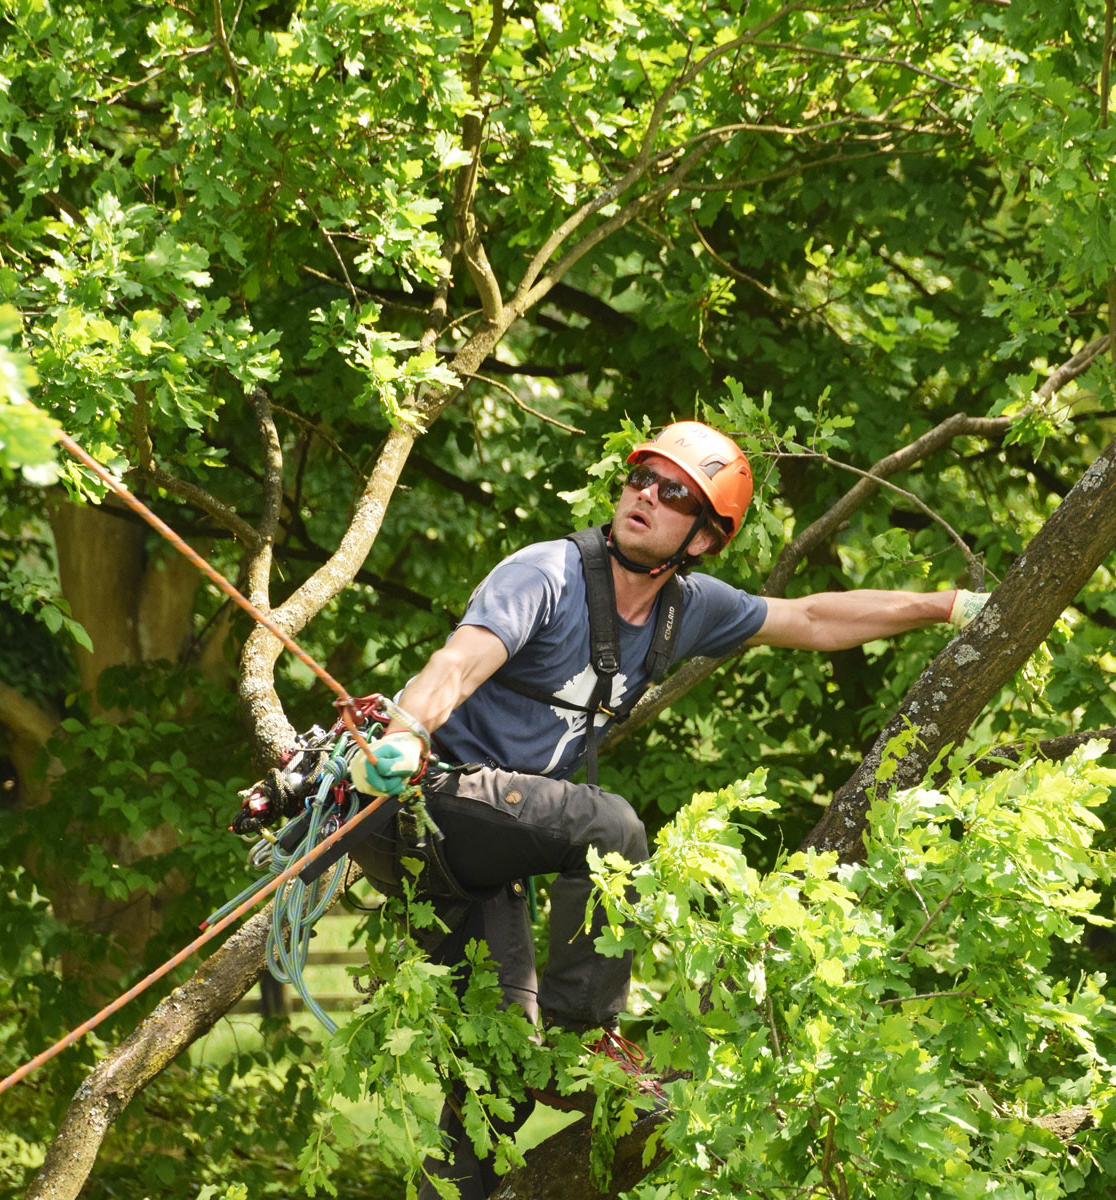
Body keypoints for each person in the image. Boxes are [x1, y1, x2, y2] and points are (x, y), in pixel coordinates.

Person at [347, 420, 985, 1199]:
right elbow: (459, 660)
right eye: (640, 478)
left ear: (705, 538)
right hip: (422, 803)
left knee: (504, 1072)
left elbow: (813, 619)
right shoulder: (546, 572)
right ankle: (587, 1034)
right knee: (609, 827)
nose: (646, 495)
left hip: (481, 853)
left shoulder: (689, 610)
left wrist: (948, 605)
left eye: (674, 491)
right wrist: (409, 733)